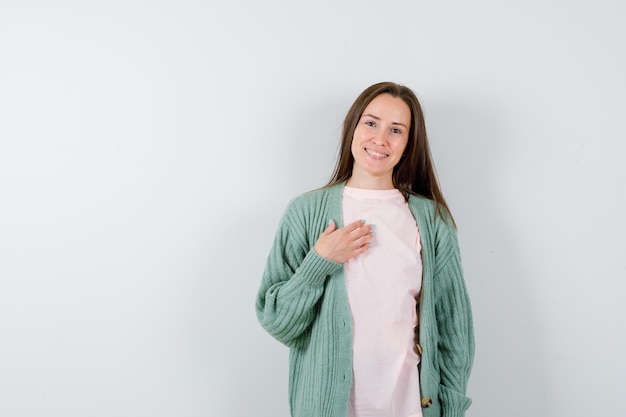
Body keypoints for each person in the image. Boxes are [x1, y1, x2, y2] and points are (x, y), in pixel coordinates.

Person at [256, 82, 474, 417]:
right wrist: (320, 261)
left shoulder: (431, 220)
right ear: (353, 127)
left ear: (408, 144)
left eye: (396, 130)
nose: (380, 139)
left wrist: (452, 406)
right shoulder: (306, 211)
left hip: (410, 405)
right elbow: (278, 321)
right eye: (371, 123)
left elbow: (453, 329)